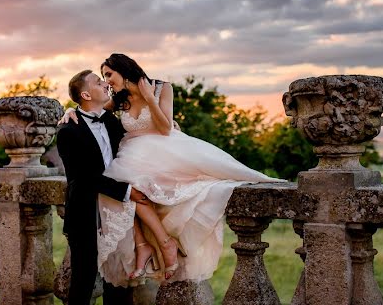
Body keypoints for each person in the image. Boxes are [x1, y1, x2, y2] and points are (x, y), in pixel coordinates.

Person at [62, 53, 284, 288]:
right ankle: (150, 244)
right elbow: (89, 109)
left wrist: (149, 98)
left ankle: (158, 244)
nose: (106, 81)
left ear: (123, 70)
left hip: (161, 149)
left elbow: (166, 128)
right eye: (102, 78)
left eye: (108, 75)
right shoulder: (118, 98)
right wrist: (69, 111)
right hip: (133, 153)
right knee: (122, 185)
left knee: (188, 182)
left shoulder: (161, 88)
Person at [55, 69, 150, 305]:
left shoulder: (111, 122)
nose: (105, 83)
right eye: (98, 82)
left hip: (116, 214)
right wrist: (127, 192)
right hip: (85, 215)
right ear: (85, 94)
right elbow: (83, 178)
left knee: (117, 284)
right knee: (81, 288)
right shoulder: (68, 131)